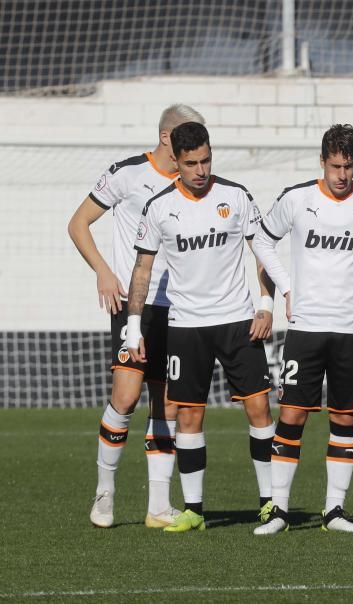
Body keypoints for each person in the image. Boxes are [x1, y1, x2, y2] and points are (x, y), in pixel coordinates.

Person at [126, 122, 275, 533]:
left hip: (237, 321)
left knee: (259, 407)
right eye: (191, 162)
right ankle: (194, 509)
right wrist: (133, 326)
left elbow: (262, 252)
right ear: (175, 160)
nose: (200, 170)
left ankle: (270, 503)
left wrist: (265, 305)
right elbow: (142, 270)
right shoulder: (158, 206)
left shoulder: (236, 196)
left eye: (206, 160)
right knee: (188, 414)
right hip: (186, 326)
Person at [69, 104, 205, 529]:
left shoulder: (197, 186)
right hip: (136, 308)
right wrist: (104, 272)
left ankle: (158, 507)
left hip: (180, 309)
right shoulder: (127, 174)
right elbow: (78, 224)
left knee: (165, 405)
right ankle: (105, 495)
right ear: (168, 137)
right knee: (126, 397)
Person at [251, 124, 353, 534]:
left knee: (344, 418)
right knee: (292, 415)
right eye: (336, 166)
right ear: (322, 161)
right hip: (305, 327)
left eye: (349, 167)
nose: (342, 175)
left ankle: (334, 511)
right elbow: (261, 242)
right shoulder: (297, 198)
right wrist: (286, 287)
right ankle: (280, 510)